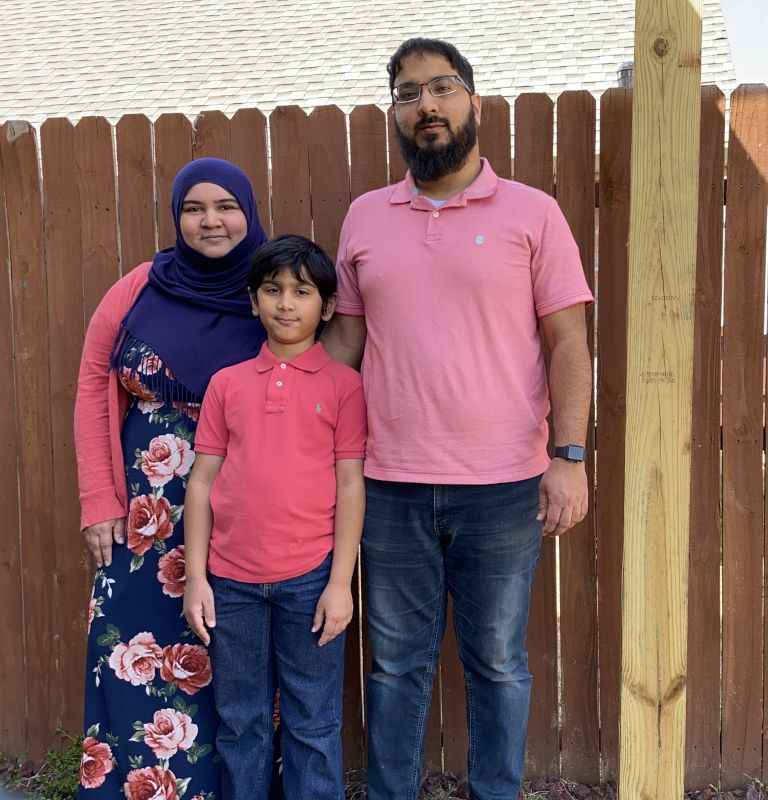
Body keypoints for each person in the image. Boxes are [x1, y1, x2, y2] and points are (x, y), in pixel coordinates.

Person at [322, 37, 594, 800]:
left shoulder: (533, 213)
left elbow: (570, 342)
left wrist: (569, 456)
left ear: (474, 102)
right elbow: (344, 345)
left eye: (441, 88)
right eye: (408, 95)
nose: (426, 106)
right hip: (388, 485)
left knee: (499, 663)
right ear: (396, 115)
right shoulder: (365, 217)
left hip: (503, 487)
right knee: (394, 665)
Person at [75, 158, 282, 799]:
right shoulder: (138, 289)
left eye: (226, 206)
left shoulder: (271, 290)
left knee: (236, 660)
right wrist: (99, 500)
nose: (210, 221)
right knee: (129, 653)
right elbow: (93, 389)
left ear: (248, 213)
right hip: (144, 520)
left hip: (244, 512)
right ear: (176, 217)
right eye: (194, 208)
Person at [182, 234, 367, 800]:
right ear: (253, 300)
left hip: (310, 579)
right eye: (273, 290)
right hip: (230, 581)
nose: (286, 304)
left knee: (313, 720)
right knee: (242, 720)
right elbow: (201, 481)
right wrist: (196, 579)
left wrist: (340, 584)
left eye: (302, 292)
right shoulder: (227, 384)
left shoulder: (345, 386)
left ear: (328, 307)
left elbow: (350, 484)